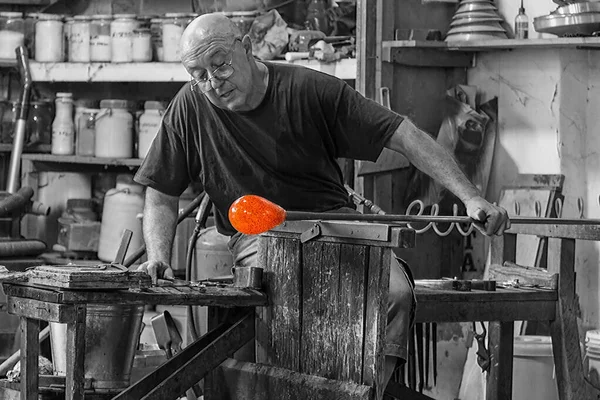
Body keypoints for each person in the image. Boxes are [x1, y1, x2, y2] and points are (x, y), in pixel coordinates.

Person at [134, 12, 510, 390]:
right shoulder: (189, 107)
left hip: (336, 224)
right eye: (199, 75)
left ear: (246, 48)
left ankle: (364, 393)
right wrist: (159, 257)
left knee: (393, 294)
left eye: (219, 66)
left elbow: (403, 135)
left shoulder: (308, 90)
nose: (213, 83)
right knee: (286, 300)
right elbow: (161, 192)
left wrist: (471, 196)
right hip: (260, 236)